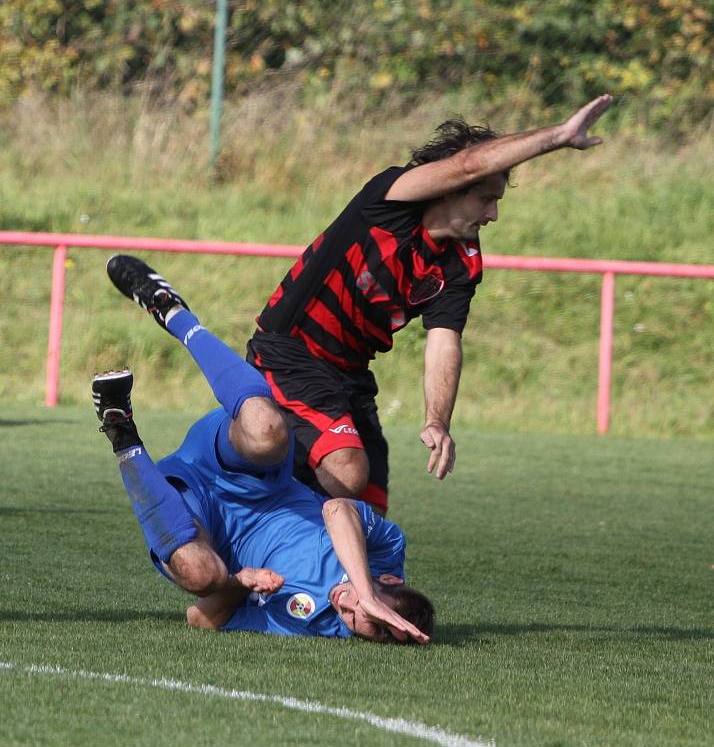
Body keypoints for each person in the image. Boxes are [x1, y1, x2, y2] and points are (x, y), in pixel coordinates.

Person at [246, 95, 614, 513]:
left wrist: (437, 420)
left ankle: (346, 571)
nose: (493, 214)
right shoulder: (388, 202)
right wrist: (557, 137)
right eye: (485, 199)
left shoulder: (461, 263)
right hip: (289, 354)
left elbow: (444, 343)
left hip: (348, 376)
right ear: (451, 189)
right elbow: (468, 164)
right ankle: (250, 505)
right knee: (345, 472)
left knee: (371, 509)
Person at [95, 254, 433, 643]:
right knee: (268, 430)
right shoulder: (386, 552)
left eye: (359, 624)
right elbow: (337, 508)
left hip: (198, 516)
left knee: (199, 574)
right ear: (388, 580)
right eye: (367, 605)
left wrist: (241, 582)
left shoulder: (318, 624)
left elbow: (200, 619)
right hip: (253, 482)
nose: (349, 608)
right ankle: (172, 312)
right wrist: (366, 590)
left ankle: (120, 430)